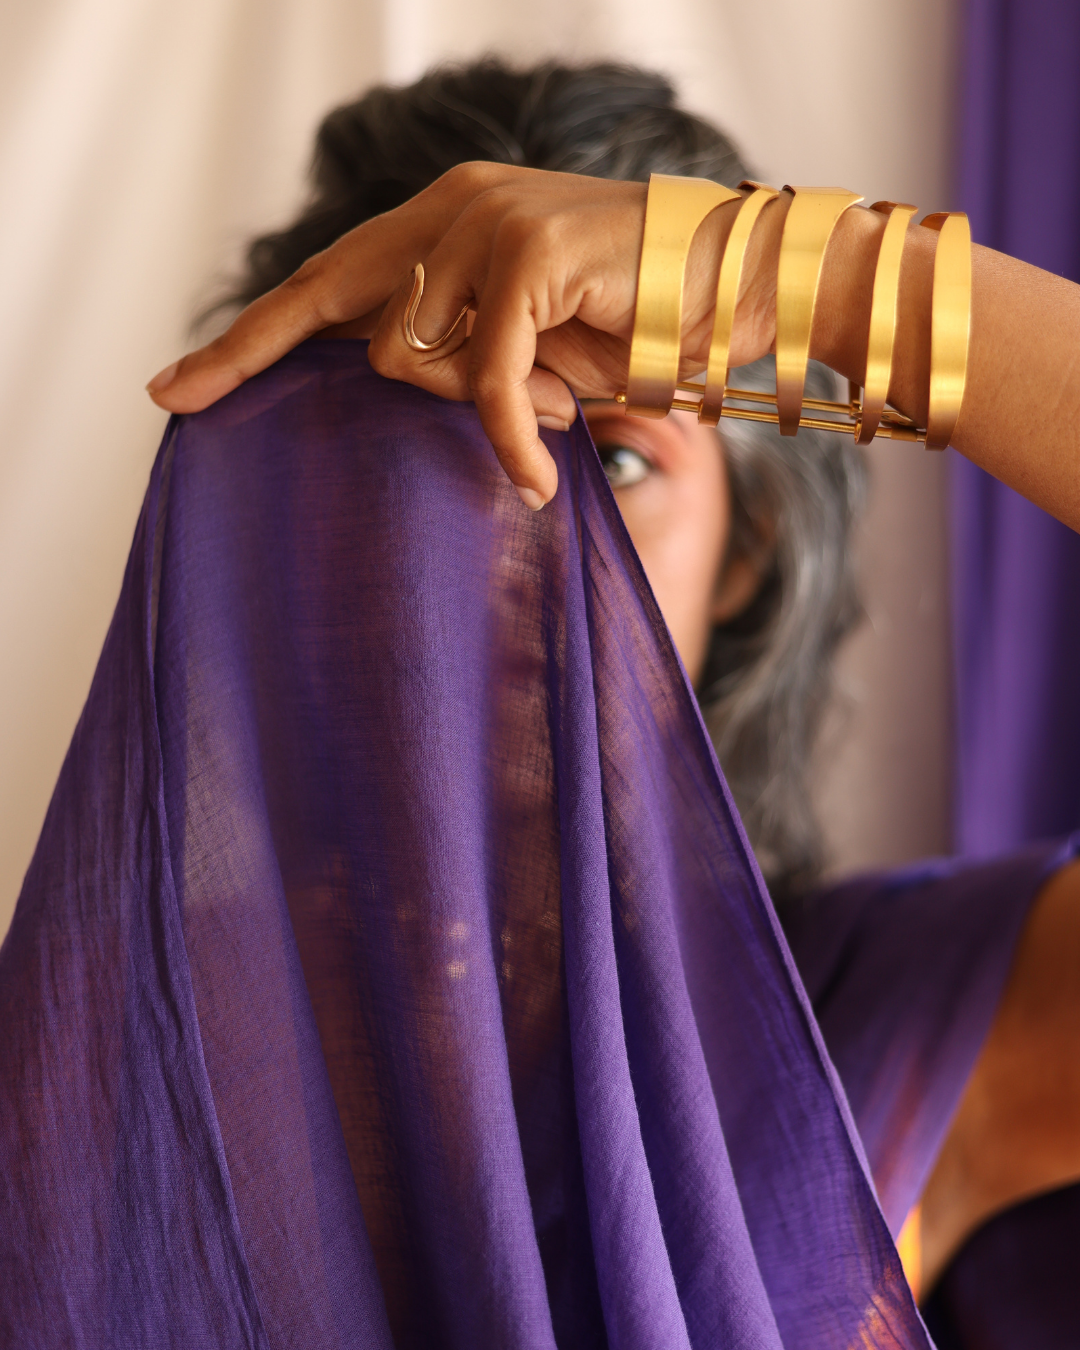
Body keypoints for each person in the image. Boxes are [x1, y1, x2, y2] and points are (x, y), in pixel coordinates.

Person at [149, 59, 1080, 1307]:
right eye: (417, 451)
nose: (514, 518)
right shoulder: (123, 1045)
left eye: (623, 463)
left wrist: (830, 279)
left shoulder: (907, 1023)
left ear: (749, 551)